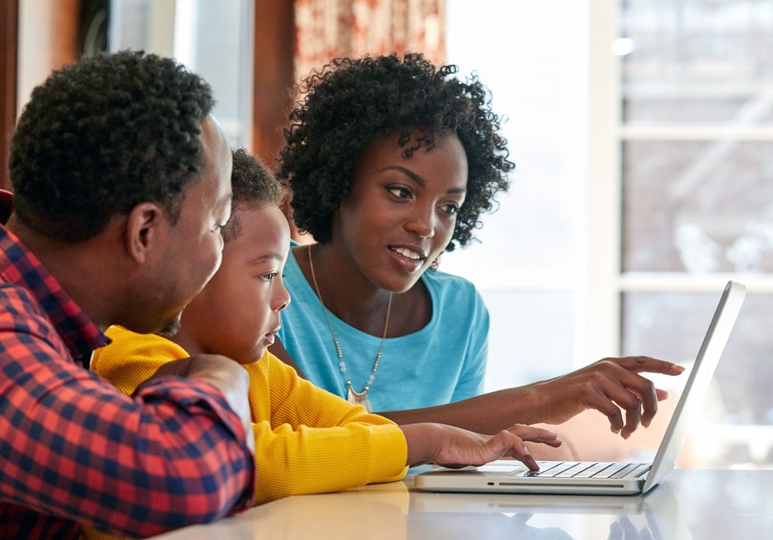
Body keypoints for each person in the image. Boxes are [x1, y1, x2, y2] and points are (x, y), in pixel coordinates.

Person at [0, 51, 256, 539]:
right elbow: (184, 478)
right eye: (218, 225)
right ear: (145, 232)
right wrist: (220, 376)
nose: (219, 248)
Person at [91, 148, 561, 508]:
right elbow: (253, 459)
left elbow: (350, 423)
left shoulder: (260, 372)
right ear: (196, 266)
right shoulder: (132, 356)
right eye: (266, 275)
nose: (284, 297)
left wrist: (449, 440)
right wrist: (426, 440)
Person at [269, 52, 685, 444]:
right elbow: (315, 438)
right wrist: (537, 400)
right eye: (400, 191)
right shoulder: (266, 282)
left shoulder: (459, 310)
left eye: (448, 207)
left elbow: (454, 464)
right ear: (339, 180)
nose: (426, 225)